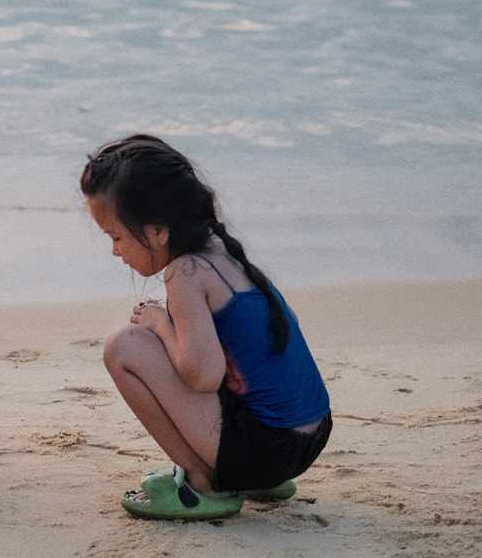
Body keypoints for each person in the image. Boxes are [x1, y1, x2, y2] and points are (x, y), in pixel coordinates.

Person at [81, 135, 330, 521]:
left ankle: (202, 485)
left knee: (124, 347)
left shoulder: (187, 272)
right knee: (158, 343)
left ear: (157, 232)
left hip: (270, 451)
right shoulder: (218, 249)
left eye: (116, 237)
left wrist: (161, 324)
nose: (115, 251)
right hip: (308, 437)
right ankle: (252, 480)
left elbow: (202, 376)